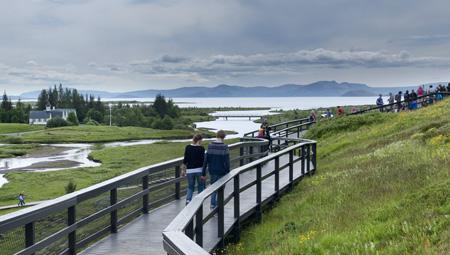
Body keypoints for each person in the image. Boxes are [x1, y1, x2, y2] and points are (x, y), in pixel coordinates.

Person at [202, 130, 230, 210]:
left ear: (217, 136)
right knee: (221, 189)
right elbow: (226, 161)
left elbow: (206, 160)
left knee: (213, 188)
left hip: (212, 171)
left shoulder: (210, 146)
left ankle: (212, 205)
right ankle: (218, 206)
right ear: (223, 137)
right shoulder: (225, 147)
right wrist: (228, 171)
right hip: (222, 171)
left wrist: (203, 172)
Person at [182, 134, 206, 205]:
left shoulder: (188, 147)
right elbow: (203, 161)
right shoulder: (201, 148)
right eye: (201, 140)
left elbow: (185, 160)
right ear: (199, 140)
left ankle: (188, 201)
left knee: (190, 187)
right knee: (200, 186)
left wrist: (183, 170)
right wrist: (204, 172)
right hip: (199, 170)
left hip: (190, 171)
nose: (202, 142)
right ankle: (199, 202)